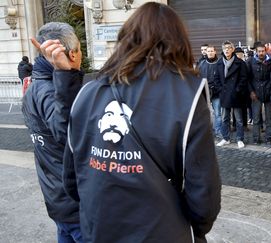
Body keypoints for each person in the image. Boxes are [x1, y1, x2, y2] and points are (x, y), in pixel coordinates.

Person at [62, 3, 221, 242]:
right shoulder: (186, 94)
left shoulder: (87, 92)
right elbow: (204, 192)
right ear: (178, 41)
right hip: (161, 231)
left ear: (126, 38)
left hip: (100, 229)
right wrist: (196, 229)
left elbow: (72, 179)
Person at [21, 22, 83, 242]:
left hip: (58, 199)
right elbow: (70, 136)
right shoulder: (49, 89)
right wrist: (67, 75)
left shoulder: (37, 84)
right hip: (74, 204)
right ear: (72, 54)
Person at [214, 40, 249, 148]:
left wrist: (237, 90)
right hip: (224, 95)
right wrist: (220, 90)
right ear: (223, 50)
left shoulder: (240, 63)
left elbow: (244, 79)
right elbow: (216, 79)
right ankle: (226, 138)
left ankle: (240, 139)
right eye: (225, 48)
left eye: (229, 48)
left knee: (238, 119)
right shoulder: (219, 63)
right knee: (225, 118)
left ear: (233, 49)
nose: (227, 50)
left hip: (236, 95)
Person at [248, 43, 271, 144]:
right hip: (256, 93)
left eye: (263, 51)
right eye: (259, 51)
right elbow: (248, 78)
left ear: (265, 51)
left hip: (268, 92)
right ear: (256, 52)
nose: (261, 53)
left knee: (269, 118)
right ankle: (256, 138)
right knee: (256, 118)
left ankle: (269, 137)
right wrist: (251, 91)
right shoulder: (250, 62)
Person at [199, 45, 222, 138]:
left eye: (212, 51)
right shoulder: (202, 64)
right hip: (205, 93)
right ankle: (208, 131)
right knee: (206, 114)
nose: (210, 53)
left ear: (215, 52)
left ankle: (218, 131)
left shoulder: (220, 63)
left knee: (218, 114)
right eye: (208, 51)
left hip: (217, 93)